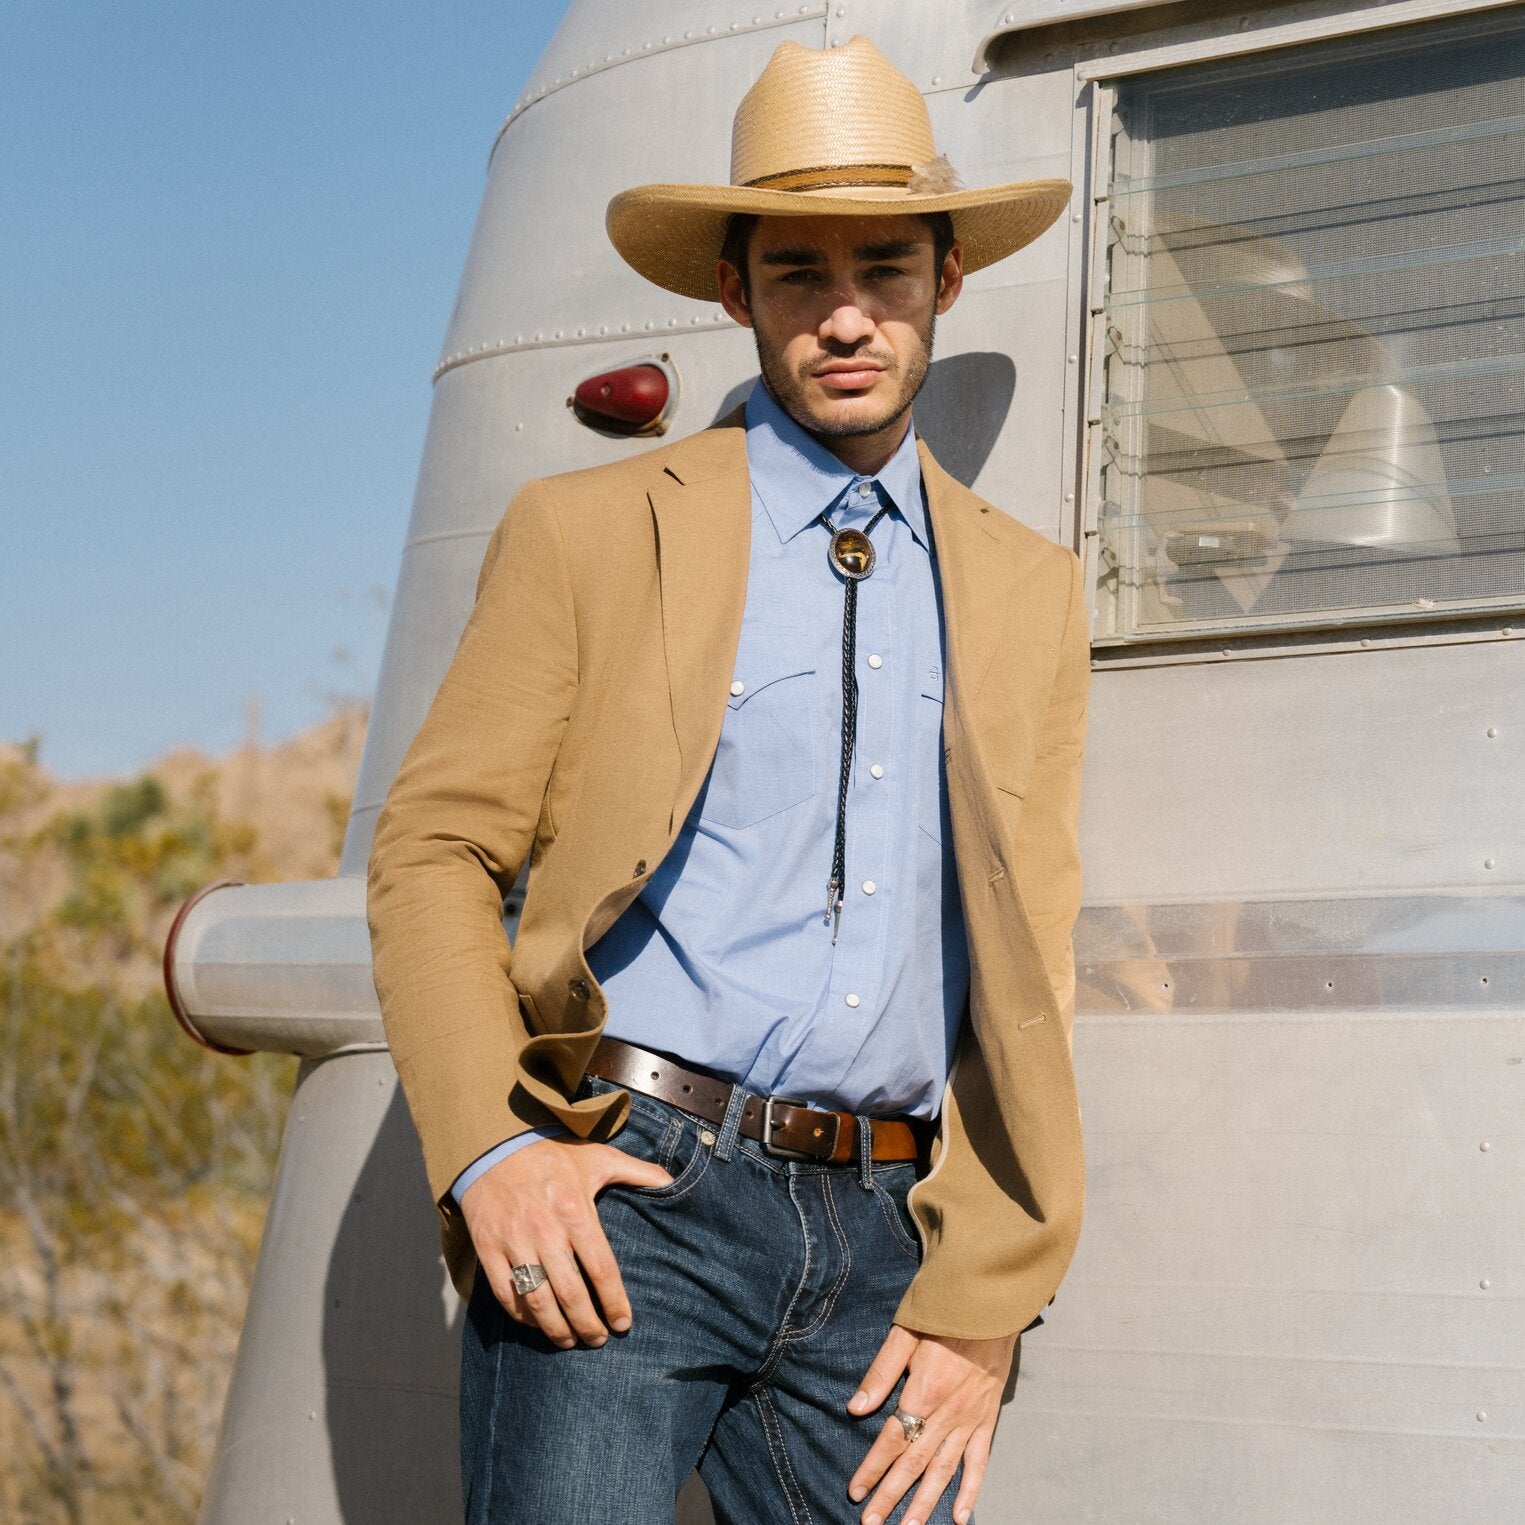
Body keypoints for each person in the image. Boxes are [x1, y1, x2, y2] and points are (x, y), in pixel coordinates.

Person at [366, 34, 1089, 1525]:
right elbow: (434, 848)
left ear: (947, 282)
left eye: (886, 270)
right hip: (632, 1191)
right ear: (732, 292)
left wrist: (989, 1295)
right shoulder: (588, 529)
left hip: (890, 1236)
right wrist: (494, 1150)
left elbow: (1028, 961)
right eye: (797, 274)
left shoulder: (1028, 589)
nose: (846, 316)